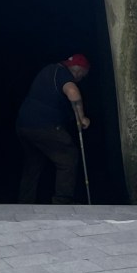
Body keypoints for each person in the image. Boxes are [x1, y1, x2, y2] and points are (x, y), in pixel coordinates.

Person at [16, 53, 91, 204]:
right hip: (44, 126)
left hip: (24, 125)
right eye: (83, 76)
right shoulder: (63, 74)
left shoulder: (49, 70)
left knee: (34, 162)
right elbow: (73, 92)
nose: (81, 79)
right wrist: (81, 117)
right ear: (79, 71)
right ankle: (62, 202)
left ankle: (24, 202)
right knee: (68, 156)